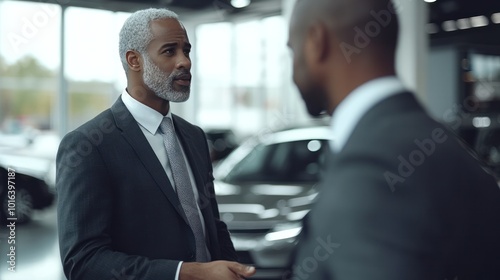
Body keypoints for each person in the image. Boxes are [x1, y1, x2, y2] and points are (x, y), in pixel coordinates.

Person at [286, 0, 500, 279]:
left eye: (292, 50)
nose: (292, 67)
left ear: (316, 41)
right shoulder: (435, 144)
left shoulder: (375, 168)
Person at [56, 8, 255, 280]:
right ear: (134, 60)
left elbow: (213, 226)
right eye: (170, 51)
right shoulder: (88, 146)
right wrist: (184, 273)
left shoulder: (195, 137)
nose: (185, 62)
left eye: (187, 50)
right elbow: (84, 262)